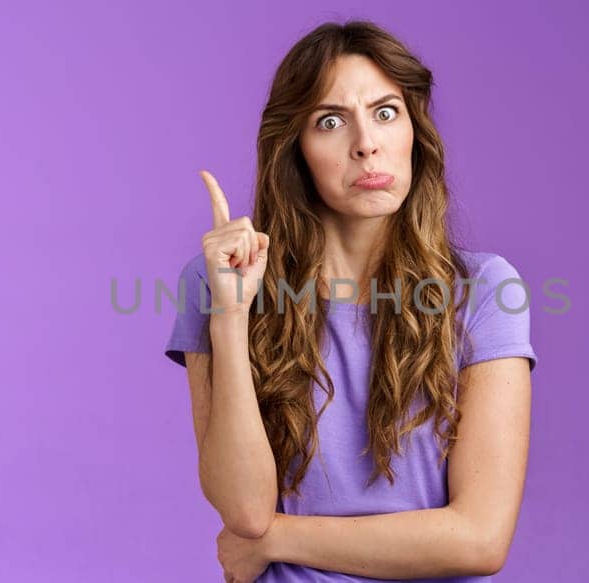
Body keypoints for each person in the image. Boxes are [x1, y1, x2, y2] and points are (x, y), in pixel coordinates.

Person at [164, 20, 537, 583]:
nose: (365, 142)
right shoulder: (216, 281)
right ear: (297, 149)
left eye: (386, 112)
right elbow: (243, 512)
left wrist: (279, 538)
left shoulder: (484, 290)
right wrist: (232, 313)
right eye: (331, 121)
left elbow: (479, 540)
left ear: (415, 131)